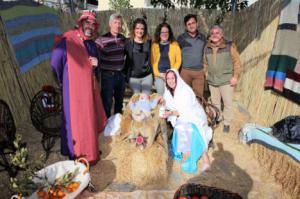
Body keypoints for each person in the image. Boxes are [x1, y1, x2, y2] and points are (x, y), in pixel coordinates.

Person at [51, 11, 107, 164]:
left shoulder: (91, 44)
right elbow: (55, 64)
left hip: (90, 89)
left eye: (92, 24)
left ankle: (89, 150)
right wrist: (65, 80)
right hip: (73, 90)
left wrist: (97, 63)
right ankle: (74, 153)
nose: (90, 26)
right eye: (87, 23)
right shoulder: (68, 40)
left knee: (89, 119)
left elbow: (94, 64)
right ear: (81, 23)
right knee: (73, 120)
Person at [163, 69, 212, 173]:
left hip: (193, 116)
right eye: (168, 79)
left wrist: (169, 114)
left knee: (195, 131)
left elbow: (184, 110)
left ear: (177, 78)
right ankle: (185, 150)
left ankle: (205, 160)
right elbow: (167, 105)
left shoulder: (184, 90)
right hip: (181, 118)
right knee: (179, 127)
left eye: (173, 78)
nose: (171, 81)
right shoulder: (168, 92)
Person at [203, 25, 241, 133]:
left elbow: (237, 62)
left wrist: (235, 76)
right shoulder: (207, 48)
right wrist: (206, 74)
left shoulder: (229, 46)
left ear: (222, 34)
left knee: (227, 102)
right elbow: (205, 63)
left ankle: (227, 123)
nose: (214, 35)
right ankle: (218, 119)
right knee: (215, 103)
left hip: (226, 80)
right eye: (212, 33)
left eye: (217, 33)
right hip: (212, 81)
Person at [95, 13, 126, 118]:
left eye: (119, 23)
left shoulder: (123, 39)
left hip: (120, 76)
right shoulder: (101, 40)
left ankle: (117, 124)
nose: (118, 25)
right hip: (108, 76)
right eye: (115, 22)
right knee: (107, 103)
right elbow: (93, 56)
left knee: (119, 103)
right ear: (110, 24)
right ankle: (107, 125)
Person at [177, 14, 206, 98]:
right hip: (185, 72)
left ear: (197, 23)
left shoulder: (203, 38)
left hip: (199, 72)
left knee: (199, 97)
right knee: (185, 97)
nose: (191, 25)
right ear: (186, 26)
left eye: (193, 23)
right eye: (188, 24)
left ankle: (198, 111)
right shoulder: (181, 38)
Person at [151, 22, 181, 96]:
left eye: (166, 32)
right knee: (161, 96)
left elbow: (178, 61)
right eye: (162, 32)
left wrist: (171, 72)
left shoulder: (175, 45)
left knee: (172, 96)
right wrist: (158, 74)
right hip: (159, 76)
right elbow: (152, 62)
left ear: (169, 33)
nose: (164, 34)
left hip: (171, 76)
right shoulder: (154, 45)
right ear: (159, 33)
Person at [124, 18, 152, 94]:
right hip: (133, 78)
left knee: (146, 100)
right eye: (137, 28)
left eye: (142, 29)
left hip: (147, 76)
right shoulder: (128, 43)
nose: (140, 31)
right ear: (134, 29)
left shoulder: (149, 43)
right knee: (136, 99)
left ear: (145, 30)